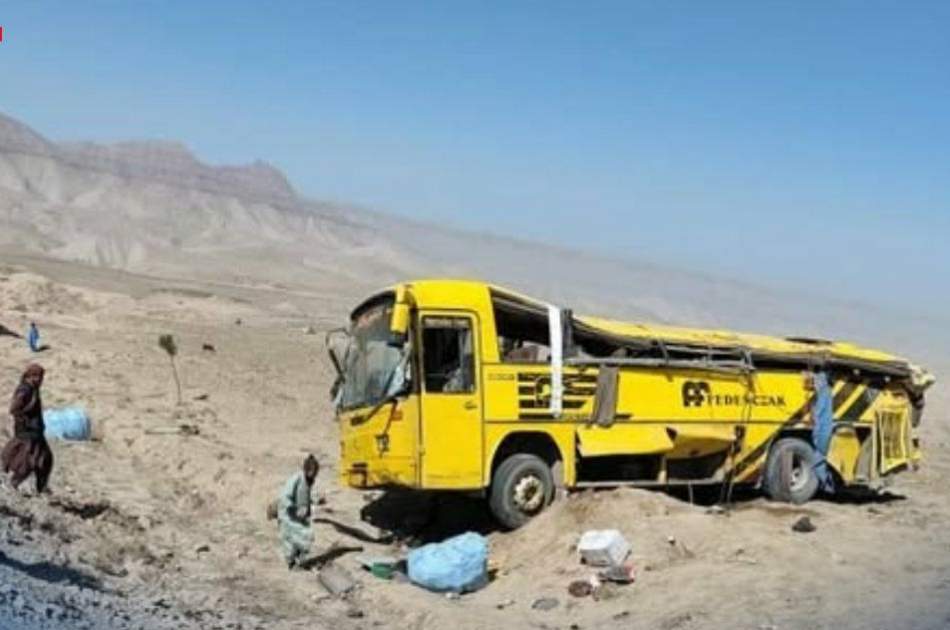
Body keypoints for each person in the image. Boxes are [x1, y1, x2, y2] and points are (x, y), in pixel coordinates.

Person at [1, 364, 53, 494]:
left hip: (35, 432)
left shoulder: (33, 389)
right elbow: (14, 409)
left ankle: (41, 488)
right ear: (31, 376)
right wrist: (25, 423)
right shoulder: (24, 390)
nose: (41, 380)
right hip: (28, 433)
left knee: (45, 459)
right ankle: (14, 482)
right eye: (38, 377)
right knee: (29, 461)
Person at [277, 455, 319, 569]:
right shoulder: (296, 479)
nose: (315, 474)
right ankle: (291, 563)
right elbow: (285, 497)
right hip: (289, 515)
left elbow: (305, 495)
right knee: (290, 538)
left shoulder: (308, 480)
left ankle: (300, 560)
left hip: (300, 515)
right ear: (307, 469)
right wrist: (293, 508)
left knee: (304, 536)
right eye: (313, 471)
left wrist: (313, 503)